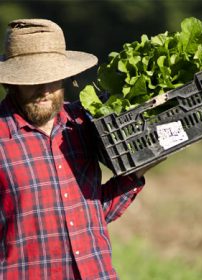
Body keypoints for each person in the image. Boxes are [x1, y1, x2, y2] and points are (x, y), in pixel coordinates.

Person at [0, 19, 157, 279]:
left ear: (67, 76)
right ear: (10, 83)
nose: (44, 90)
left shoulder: (85, 123)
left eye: (52, 78)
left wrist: (138, 170)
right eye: (32, 80)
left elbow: (94, 211)